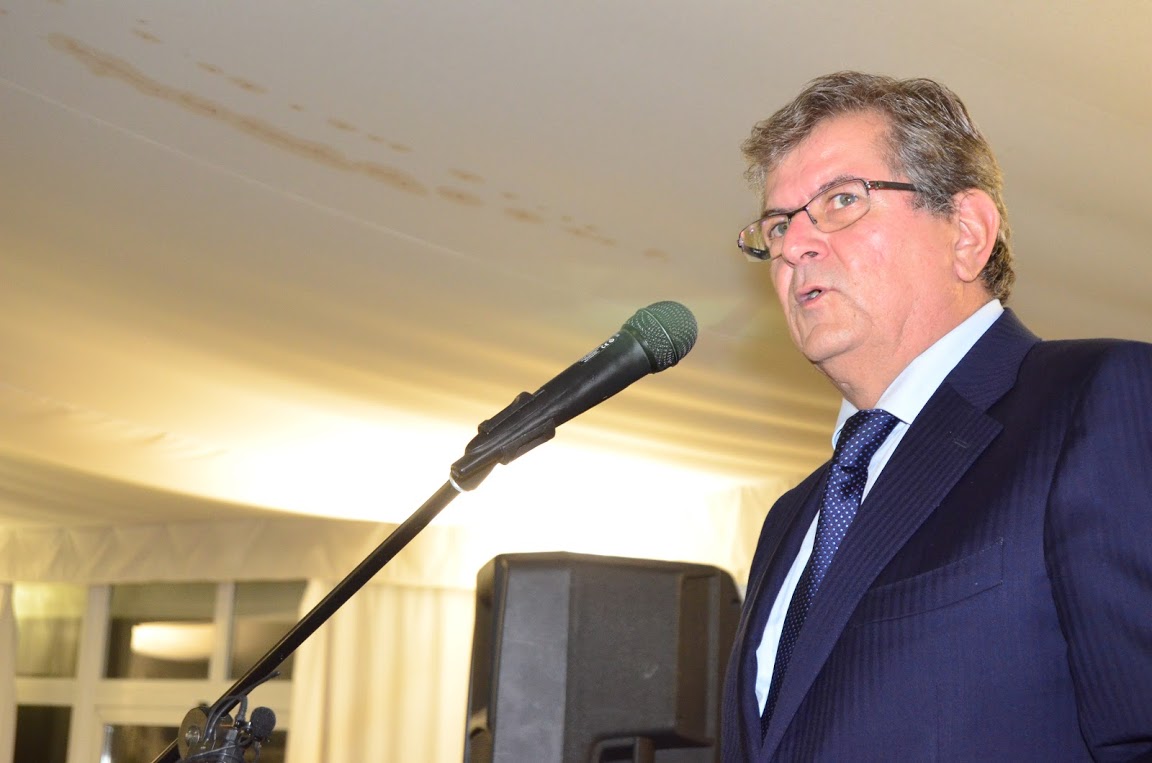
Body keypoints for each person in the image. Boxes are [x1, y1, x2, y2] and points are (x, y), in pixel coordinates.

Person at [721, 71, 1152, 762]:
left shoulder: (1098, 401)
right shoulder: (791, 518)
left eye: (841, 200)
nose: (794, 245)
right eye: (778, 224)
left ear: (967, 233)